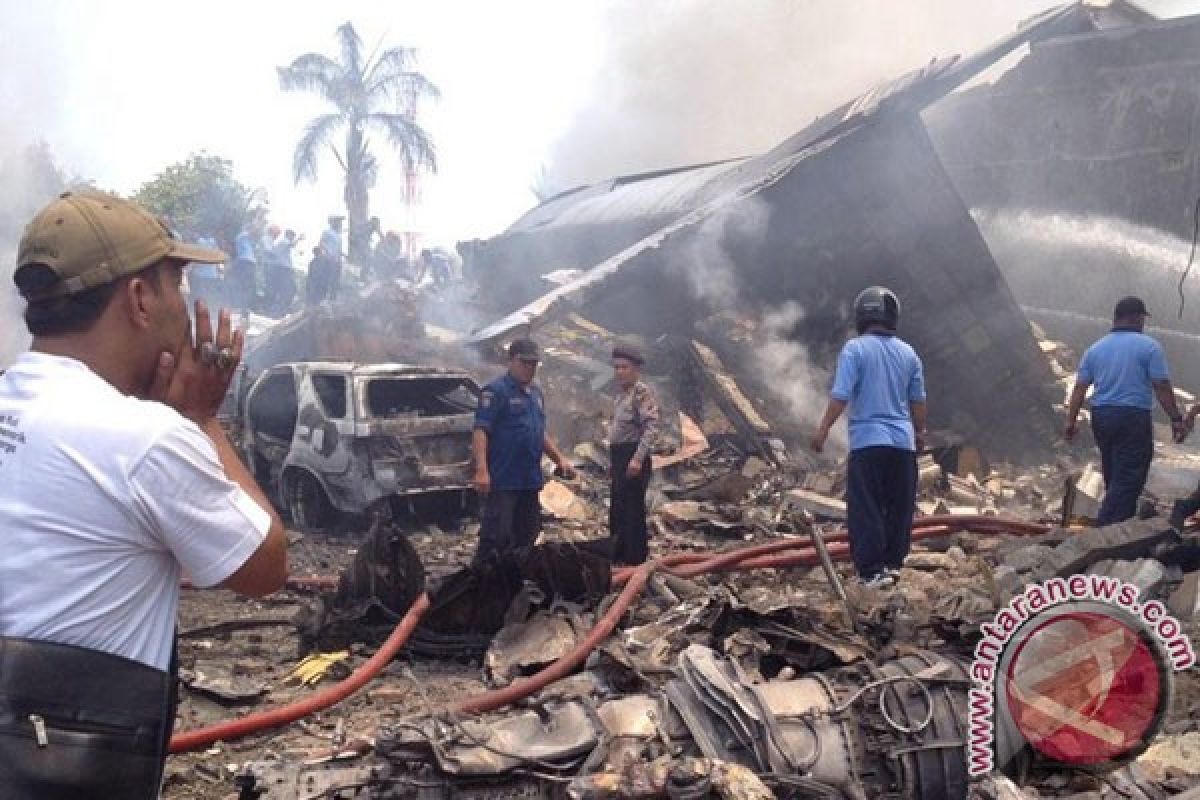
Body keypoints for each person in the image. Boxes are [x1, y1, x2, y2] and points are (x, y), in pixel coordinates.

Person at [0, 190, 287, 797]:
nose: (186, 308)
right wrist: (203, 422)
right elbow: (265, 565)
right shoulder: (148, 440)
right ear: (138, 298)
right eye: (175, 284)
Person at [811, 286, 926, 589]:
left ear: (861, 315)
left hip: (868, 442)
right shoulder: (909, 353)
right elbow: (918, 401)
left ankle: (872, 571)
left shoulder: (855, 349)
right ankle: (893, 564)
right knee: (899, 507)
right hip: (903, 444)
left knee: (867, 507)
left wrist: (823, 429)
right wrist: (920, 433)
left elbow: (840, 395)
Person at [1064, 296, 1185, 526]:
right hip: (1132, 417)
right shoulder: (1149, 346)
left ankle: (1120, 526)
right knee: (1129, 476)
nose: (1143, 323)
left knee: (1114, 474)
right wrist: (1176, 419)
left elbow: (1080, 388)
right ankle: (1104, 530)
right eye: (1142, 318)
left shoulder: (1095, 349)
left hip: (1102, 416)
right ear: (1135, 317)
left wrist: (1070, 422)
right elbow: (1161, 385)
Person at [471, 338, 576, 564]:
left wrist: (559, 459)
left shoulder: (536, 394)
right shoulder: (495, 391)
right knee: (497, 536)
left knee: (528, 533)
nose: (530, 368)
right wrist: (482, 470)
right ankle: (480, 584)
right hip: (503, 478)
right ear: (511, 361)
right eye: (525, 363)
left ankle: (516, 582)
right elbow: (481, 431)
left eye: (534, 364)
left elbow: (539, 431)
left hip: (529, 478)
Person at [608, 343, 660, 565]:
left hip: (633, 455)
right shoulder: (621, 394)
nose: (620, 372)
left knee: (632, 509)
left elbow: (651, 427)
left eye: (624, 367)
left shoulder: (641, 393)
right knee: (618, 506)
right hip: (620, 455)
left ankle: (635, 559)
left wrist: (637, 458)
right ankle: (617, 554)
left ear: (636, 369)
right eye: (617, 367)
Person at [307, 215, 344, 306]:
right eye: (338, 221)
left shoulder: (338, 235)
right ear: (333, 222)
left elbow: (338, 249)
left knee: (335, 281)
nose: (340, 223)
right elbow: (321, 244)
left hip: (337, 261)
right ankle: (322, 300)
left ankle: (332, 300)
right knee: (326, 280)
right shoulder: (327, 232)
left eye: (340, 221)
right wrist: (326, 254)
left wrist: (342, 257)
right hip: (328, 260)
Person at [229, 225, 259, 311]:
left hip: (246, 263)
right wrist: (258, 217)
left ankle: (243, 307)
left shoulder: (246, 241)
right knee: (244, 285)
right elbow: (253, 231)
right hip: (245, 263)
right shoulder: (241, 236)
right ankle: (240, 307)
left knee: (246, 285)